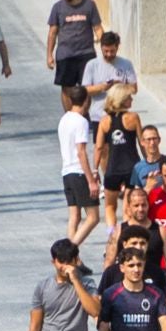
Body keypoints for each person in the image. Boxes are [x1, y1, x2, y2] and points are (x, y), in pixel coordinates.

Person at [57, 83, 101, 246]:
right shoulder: (81, 121)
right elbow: (81, 152)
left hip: (66, 172)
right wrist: (91, 180)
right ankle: (69, 252)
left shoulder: (64, 119)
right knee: (93, 217)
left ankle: (72, 254)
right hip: (79, 172)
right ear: (86, 101)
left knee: (74, 216)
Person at [93, 83, 142, 228]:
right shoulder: (133, 117)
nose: (132, 100)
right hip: (132, 167)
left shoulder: (104, 121)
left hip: (113, 168)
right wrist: (148, 162)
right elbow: (142, 142)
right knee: (128, 207)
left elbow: (99, 147)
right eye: (129, 97)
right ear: (122, 100)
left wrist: (95, 170)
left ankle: (111, 234)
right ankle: (126, 233)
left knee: (110, 206)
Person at [46, 0, 102, 89]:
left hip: (86, 54)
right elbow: (52, 33)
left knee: (87, 89)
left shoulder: (89, 5)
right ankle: (69, 103)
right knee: (67, 89)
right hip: (65, 55)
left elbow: (98, 29)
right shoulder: (57, 8)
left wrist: (103, 44)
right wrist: (49, 56)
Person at [81, 31, 137, 132]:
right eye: (106, 51)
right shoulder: (92, 65)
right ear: (101, 47)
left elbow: (134, 89)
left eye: (112, 51)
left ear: (117, 47)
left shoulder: (126, 64)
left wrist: (119, 87)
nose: (109, 54)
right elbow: (85, 90)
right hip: (98, 116)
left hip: (121, 116)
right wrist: (103, 87)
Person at [129, 123, 166, 195]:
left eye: (154, 138)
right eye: (149, 139)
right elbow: (137, 196)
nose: (152, 143)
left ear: (159, 140)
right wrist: (148, 187)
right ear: (142, 142)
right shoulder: (138, 167)